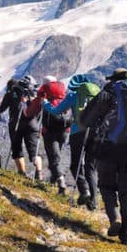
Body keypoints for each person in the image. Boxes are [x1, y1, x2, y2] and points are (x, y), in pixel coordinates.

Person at [81, 68, 127, 245]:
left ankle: (114, 219)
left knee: (107, 185)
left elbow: (85, 120)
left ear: (114, 79)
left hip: (108, 146)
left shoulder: (107, 93)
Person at [43, 74, 100, 208]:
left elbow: (57, 110)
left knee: (76, 165)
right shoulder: (97, 94)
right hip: (96, 133)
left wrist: (45, 104)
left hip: (78, 133)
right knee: (91, 167)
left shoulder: (73, 95)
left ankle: (84, 190)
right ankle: (93, 202)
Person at [25, 75, 69, 192]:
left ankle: (61, 182)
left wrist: (29, 106)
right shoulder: (63, 94)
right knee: (56, 155)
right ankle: (53, 181)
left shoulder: (44, 96)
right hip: (64, 130)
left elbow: (30, 112)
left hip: (49, 131)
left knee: (53, 157)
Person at [0, 76, 40, 177]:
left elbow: (1, 109)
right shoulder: (31, 93)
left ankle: (22, 173)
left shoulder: (10, 94)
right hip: (32, 123)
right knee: (34, 151)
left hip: (16, 124)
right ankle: (39, 173)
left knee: (17, 149)